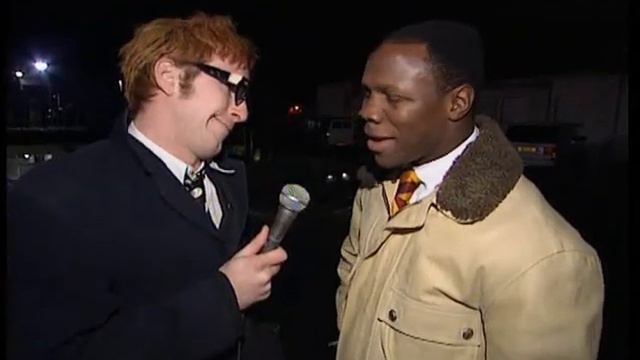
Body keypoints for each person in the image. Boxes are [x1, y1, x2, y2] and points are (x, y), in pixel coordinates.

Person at [7, 12, 288, 360]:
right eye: (233, 87)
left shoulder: (231, 181)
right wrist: (225, 298)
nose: (241, 112)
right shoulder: (56, 198)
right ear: (169, 77)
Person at [335, 20, 604, 359]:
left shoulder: (544, 256)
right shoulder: (376, 194)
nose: (367, 112)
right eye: (368, 93)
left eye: (394, 97)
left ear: (458, 103)